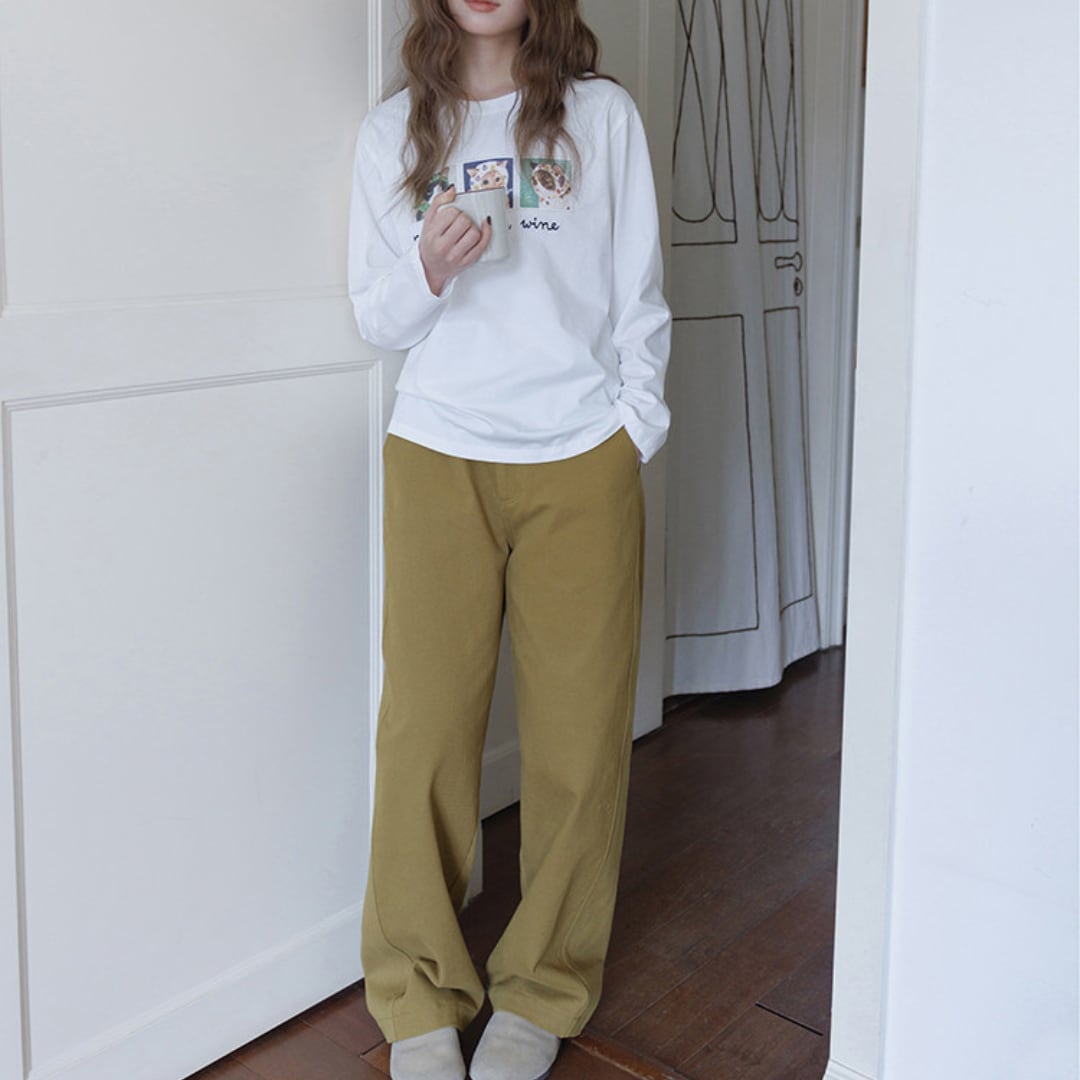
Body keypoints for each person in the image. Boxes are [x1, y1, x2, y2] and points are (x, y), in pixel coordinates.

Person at [347, 1, 671, 1077]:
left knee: (580, 739)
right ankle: (417, 996)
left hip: (582, 455)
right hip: (439, 450)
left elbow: (637, 292)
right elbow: (375, 318)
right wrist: (429, 267)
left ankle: (544, 988)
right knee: (425, 735)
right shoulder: (394, 130)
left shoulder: (602, 118)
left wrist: (633, 429)